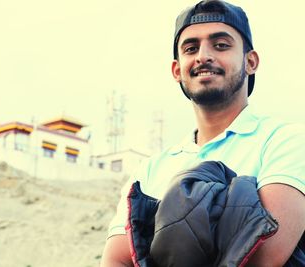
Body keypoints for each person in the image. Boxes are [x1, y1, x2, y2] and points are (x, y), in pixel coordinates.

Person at [100, 0, 305, 266]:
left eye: (221, 45)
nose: (202, 56)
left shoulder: (286, 141)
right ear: (177, 70)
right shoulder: (149, 171)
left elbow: (263, 256)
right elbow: (116, 261)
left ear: (251, 61)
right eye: (191, 48)